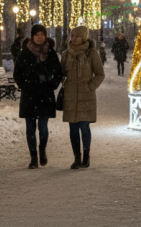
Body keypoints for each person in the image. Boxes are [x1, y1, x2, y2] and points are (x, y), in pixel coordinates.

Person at [13, 24, 63, 169]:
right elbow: (17, 74)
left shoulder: (51, 53)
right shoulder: (25, 53)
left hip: (45, 95)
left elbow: (58, 72)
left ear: (45, 36)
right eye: (37, 35)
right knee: (30, 128)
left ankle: (42, 150)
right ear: (32, 36)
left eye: (42, 34)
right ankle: (33, 157)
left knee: (43, 127)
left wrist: (52, 84)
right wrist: (25, 86)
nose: (40, 37)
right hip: (29, 95)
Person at [62, 25, 105, 170]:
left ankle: (86, 156)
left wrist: (90, 86)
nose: (74, 39)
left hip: (86, 96)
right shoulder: (66, 54)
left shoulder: (92, 53)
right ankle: (77, 158)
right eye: (72, 35)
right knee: (73, 129)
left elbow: (100, 74)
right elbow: (61, 73)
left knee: (84, 127)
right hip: (70, 96)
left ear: (84, 37)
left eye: (77, 36)